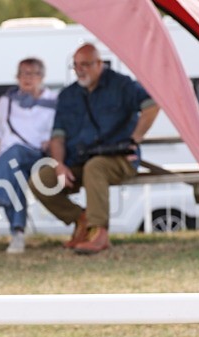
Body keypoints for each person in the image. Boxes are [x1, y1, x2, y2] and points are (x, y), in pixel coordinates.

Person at [31, 43, 160, 255]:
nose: (80, 69)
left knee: (95, 167)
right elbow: (58, 135)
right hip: (78, 159)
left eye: (86, 64)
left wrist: (135, 139)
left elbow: (152, 105)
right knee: (41, 179)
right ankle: (80, 219)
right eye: (76, 65)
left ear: (99, 63)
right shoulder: (68, 95)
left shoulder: (122, 85)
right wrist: (60, 165)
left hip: (119, 158)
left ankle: (99, 233)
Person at [0, 58, 58, 254]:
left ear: (41, 76)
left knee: (15, 153)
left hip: (37, 154)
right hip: (9, 156)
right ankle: (17, 233)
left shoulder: (53, 101)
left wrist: (50, 141)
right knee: (13, 172)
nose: (27, 78)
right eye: (22, 73)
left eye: (32, 73)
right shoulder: (6, 101)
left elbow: (57, 132)